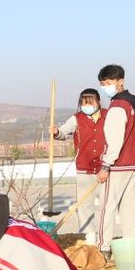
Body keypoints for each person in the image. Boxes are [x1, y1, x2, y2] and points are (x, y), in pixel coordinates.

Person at [94, 64, 135, 256]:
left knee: (107, 208)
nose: (105, 87)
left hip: (118, 165)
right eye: (102, 84)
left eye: (108, 83)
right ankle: (131, 246)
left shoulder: (118, 107)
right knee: (127, 209)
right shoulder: (134, 104)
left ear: (120, 81)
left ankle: (103, 247)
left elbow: (114, 141)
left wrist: (105, 166)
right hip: (134, 163)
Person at [52, 89, 106, 244]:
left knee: (106, 204)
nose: (87, 105)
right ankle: (89, 235)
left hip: (105, 168)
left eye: (90, 102)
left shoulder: (108, 116)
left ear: (98, 102)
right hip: (85, 168)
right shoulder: (76, 119)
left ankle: (104, 234)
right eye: (84, 103)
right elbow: (63, 133)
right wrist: (56, 132)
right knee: (84, 204)